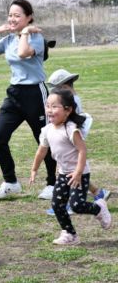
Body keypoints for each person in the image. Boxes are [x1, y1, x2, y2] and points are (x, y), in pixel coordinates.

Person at [0, 0, 56, 200]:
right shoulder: (8, 40)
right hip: (14, 94)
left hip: (35, 93)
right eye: (10, 15)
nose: (12, 18)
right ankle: (11, 183)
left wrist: (24, 32)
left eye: (17, 15)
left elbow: (23, 53)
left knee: (45, 139)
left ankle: (53, 184)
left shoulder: (36, 37)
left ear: (29, 17)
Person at [30, 88, 112, 245]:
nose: (49, 110)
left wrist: (79, 172)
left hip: (79, 173)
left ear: (68, 110)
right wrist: (34, 169)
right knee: (57, 205)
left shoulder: (70, 129)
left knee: (76, 205)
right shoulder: (47, 130)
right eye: (48, 106)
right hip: (63, 173)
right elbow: (41, 151)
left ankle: (99, 208)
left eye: (54, 106)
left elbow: (82, 150)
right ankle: (70, 234)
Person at [44, 69, 111, 216]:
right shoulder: (70, 97)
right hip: (68, 137)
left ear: (66, 87)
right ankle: (98, 192)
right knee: (70, 171)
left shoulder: (71, 101)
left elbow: (72, 122)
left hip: (71, 139)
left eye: (57, 88)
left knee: (71, 171)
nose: (54, 92)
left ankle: (68, 203)